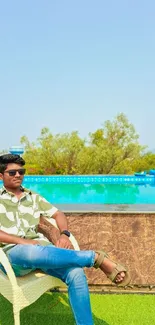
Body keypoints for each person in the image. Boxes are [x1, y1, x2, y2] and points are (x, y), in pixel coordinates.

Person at [0, 154, 130, 325]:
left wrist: (64, 234)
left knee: (76, 273)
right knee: (31, 250)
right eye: (12, 172)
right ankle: (95, 258)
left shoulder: (33, 197)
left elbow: (57, 214)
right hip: (13, 255)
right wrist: (23, 242)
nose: (18, 175)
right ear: (1, 176)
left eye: (21, 171)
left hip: (43, 251)